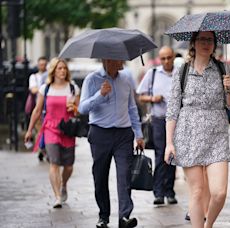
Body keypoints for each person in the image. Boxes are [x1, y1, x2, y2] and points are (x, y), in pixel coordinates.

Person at [164, 31, 230, 228]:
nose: (206, 43)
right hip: (189, 134)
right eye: (202, 40)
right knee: (197, 191)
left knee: (219, 192)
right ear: (194, 43)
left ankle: (208, 224)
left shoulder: (223, 68)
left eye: (210, 40)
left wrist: (229, 89)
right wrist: (169, 143)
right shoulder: (182, 71)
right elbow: (172, 110)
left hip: (217, 135)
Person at [78, 59, 144, 228]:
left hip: (123, 134)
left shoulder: (126, 78)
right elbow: (82, 108)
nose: (122, 60)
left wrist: (138, 133)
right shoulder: (92, 80)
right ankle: (103, 216)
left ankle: (124, 216)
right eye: (118, 57)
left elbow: (132, 108)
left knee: (124, 175)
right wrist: (100, 95)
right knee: (100, 176)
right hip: (100, 133)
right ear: (107, 59)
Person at [24, 57, 80, 208]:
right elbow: (37, 110)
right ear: (53, 70)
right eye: (59, 68)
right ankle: (57, 197)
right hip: (50, 128)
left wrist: (73, 109)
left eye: (64, 68)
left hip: (68, 129)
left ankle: (64, 185)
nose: (62, 71)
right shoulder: (45, 89)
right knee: (54, 163)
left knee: (68, 166)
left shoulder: (73, 88)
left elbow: (79, 110)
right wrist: (29, 130)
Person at [136, 46, 178, 205]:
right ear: (160, 59)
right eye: (163, 58)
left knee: (173, 156)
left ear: (173, 57)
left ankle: (170, 191)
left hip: (176, 121)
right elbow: (141, 97)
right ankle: (158, 192)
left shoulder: (180, 74)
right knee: (161, 155)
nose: (166, 61)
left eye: (169, 57)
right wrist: (153, 99)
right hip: (159, 120)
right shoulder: (153, 73)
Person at [27, 56, 48, 161]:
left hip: (49, 108)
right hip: (38, 106)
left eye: (44, 64)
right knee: (40, 130)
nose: (42, 66)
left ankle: (44, 149)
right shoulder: (34, 77)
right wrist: (45, 88)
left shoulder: (50, 76)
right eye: (41, 64)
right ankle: (42, 150)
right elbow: (34, 89)